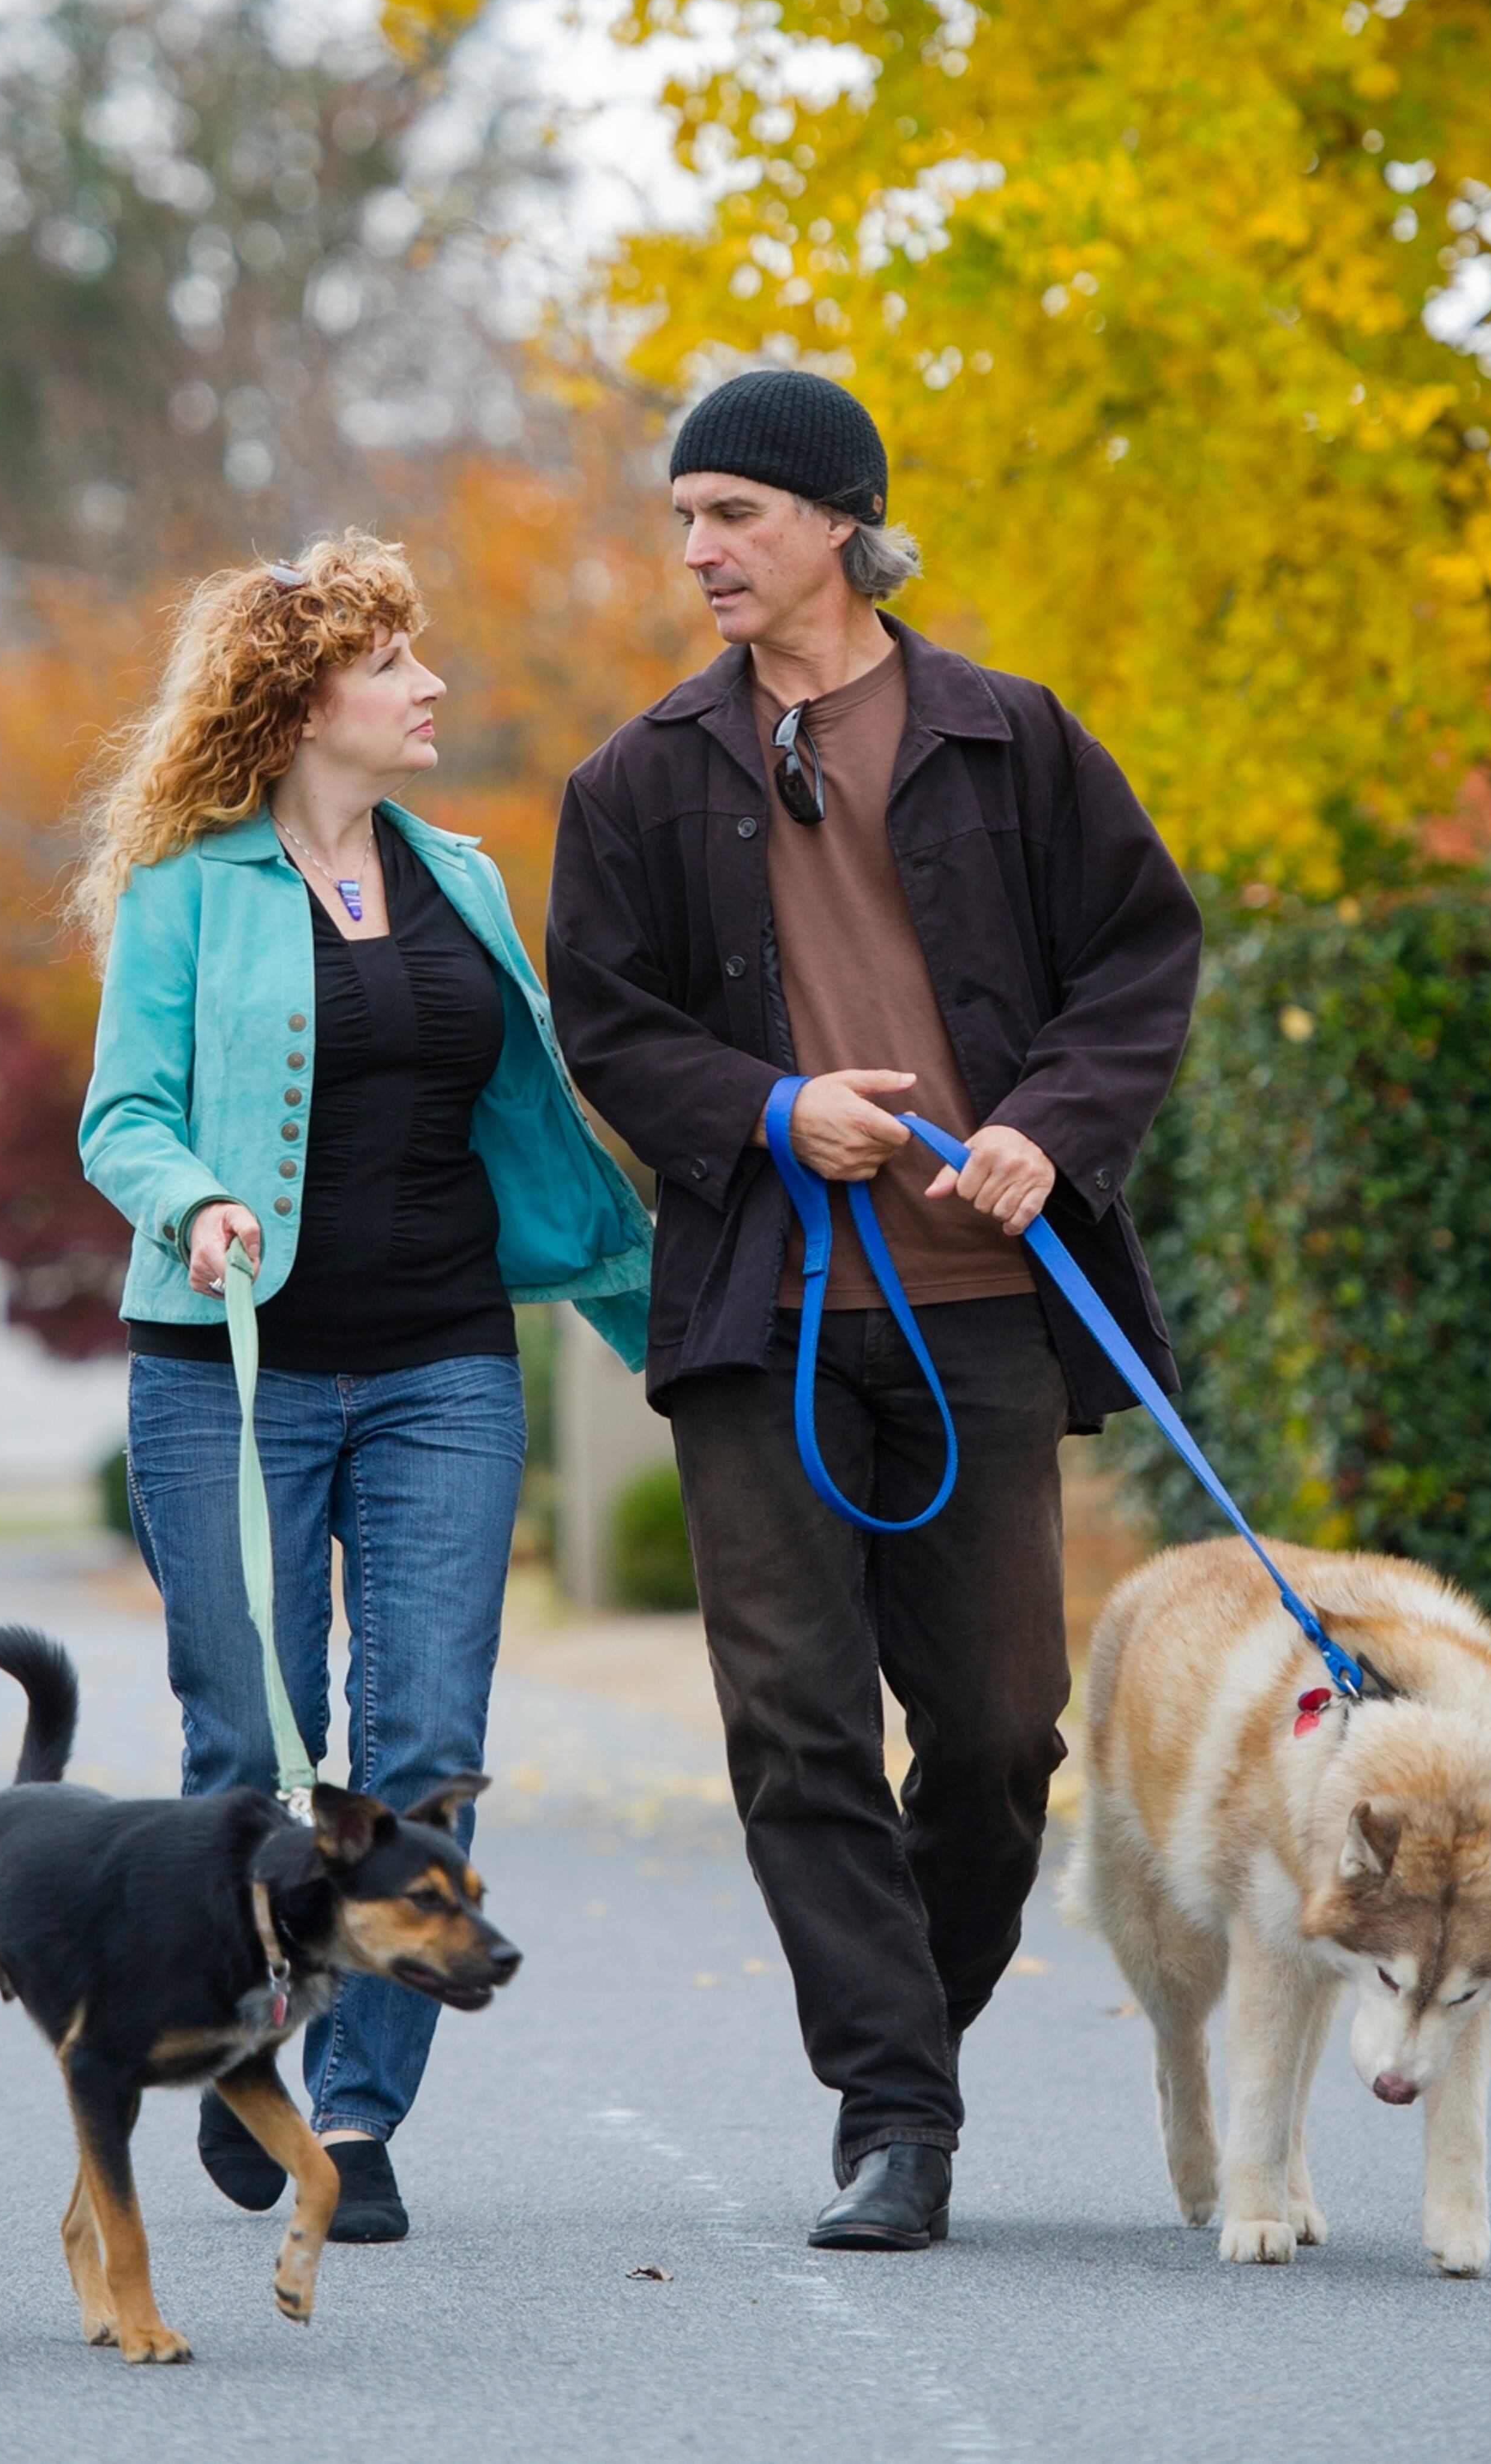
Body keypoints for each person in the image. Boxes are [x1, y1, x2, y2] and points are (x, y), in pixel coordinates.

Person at [546, 369, 1203, 2252]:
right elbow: (611, 1022)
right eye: (683, 520)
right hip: (764, 1312)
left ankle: (907, 2031)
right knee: (799, 1727)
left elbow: (1139, 961)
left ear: (841, 521)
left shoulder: (1017, 739)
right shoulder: (638, 777)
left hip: (988, 1297)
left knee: (1001, 1731)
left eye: (733, 514)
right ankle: (897, 2114)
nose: (698, 552)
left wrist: (1045, 1132)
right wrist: (771, 1109)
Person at [76, 531, 650, 2243]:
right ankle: (243, 2047)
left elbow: (530, 1101)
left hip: (444, 1362)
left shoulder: (462, 876)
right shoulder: (187, 889)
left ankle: (361, 2110)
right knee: (247, 1739)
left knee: (421, 1741)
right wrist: (199, 1203)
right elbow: (124, 1118)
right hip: (226, 1369)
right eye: (396, 660)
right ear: (304, 696)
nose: (431, 687)